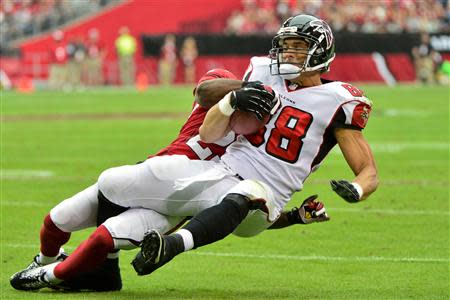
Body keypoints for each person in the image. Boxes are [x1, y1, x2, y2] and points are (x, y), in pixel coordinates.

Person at [10, 68, 329, 291]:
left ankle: (55, 275)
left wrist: (294, 217)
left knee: (106, 237)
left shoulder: (254, 153)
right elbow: (205, 91)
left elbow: (238, 209)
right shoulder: (224, 97)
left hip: (175, 204)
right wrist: (241, 93)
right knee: (56, 221)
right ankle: (45, 261)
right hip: (159, 171)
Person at [132, 14, 378, 275]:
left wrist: (356, 189)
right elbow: (205, 97)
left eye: (298, 47)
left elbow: (369, 172)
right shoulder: (262, 72)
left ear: (320, 52)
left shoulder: (337, 101)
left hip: (266, 198)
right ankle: (106, 250)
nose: (289, 53)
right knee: (156, 173)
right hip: (223, 172)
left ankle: (169, 247)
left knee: (248, 192)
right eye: (286, 46)